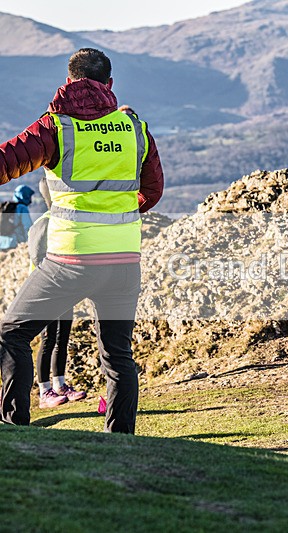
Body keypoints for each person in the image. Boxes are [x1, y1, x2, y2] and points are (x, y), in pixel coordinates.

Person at [0, 48, 164, 433]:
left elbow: (6, 162)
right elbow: (153, 191)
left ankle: (14, 428)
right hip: (124, 261)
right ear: (108, 85)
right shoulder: (137, 130)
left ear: (70, 82)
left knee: (12, 334)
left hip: (70, 261)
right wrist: (115, 217)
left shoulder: (55, 127)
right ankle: (120, 437)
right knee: (117, 354)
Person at [27, 176, 86, 408]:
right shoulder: (44, 223)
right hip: (47, 288)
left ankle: (60, 385)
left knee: (62, 337)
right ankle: (44, 392)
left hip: (67, 287)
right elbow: (36, 257)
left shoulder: (67, 220)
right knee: (49, 338)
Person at [0, 184, 35, 250]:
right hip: (15, 243)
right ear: (25, 195)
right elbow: (28, 227)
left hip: (2, 243)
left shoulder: (6, 207)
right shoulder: (22, 208)